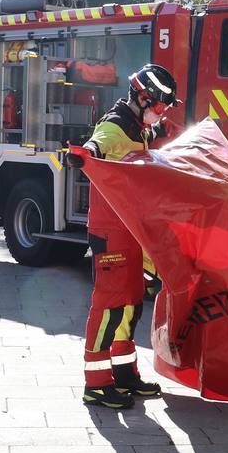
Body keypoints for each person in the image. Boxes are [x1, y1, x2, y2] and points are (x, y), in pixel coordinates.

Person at [66, 63, 179, 409]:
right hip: (110, 230)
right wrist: (84, 156)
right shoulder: (115, 128)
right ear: (143, 99)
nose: (160, 115)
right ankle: (97, 384)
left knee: (130, 303)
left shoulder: (137, 127)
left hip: (130, 229)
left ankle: (125, 373)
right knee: (110, 304)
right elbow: (95, 147)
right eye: (158, 107)